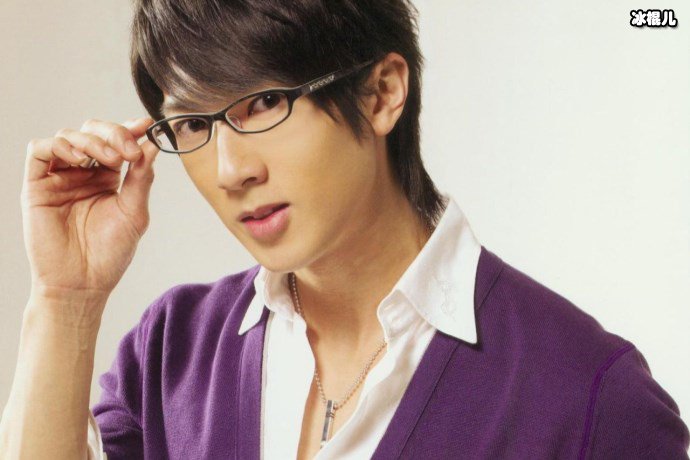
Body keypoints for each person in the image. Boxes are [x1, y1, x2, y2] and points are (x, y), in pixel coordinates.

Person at [1, 0, 688, 459]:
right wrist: (66, 300)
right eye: (194, 123)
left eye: (265, 102)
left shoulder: (588, 396)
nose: (231, 169)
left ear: (382, 92)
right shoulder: (173, 353)